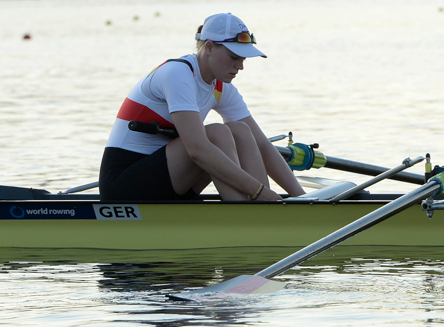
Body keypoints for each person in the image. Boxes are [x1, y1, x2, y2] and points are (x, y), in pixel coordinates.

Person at [99, 12, 305, 202]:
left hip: (170, 179)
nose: (240, 66)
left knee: (241, 131)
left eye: (243, 58)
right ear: (208, 47)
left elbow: (261, 145)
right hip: (123, 184)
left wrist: (302, 199)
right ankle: (248, 215)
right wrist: (259, 191)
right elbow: (197, 150)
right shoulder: (178, 74)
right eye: (234, 57)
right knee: (217, 133)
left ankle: (266, 213)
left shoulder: (221, 86)